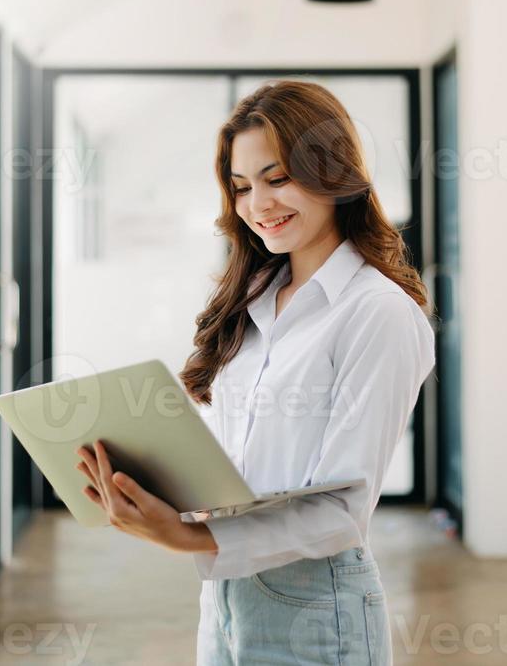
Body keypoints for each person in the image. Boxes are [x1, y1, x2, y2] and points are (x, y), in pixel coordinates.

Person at [76, 79, 437, 665]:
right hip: (224, 595)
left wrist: (189, 537)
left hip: (318, 602)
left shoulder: (378, 312)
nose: (258, 205)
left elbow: (343, 510)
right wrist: (149, 485)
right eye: (241, 188)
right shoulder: (253, 300)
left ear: (333, 171)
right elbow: (238, 459)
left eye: (277, 178)